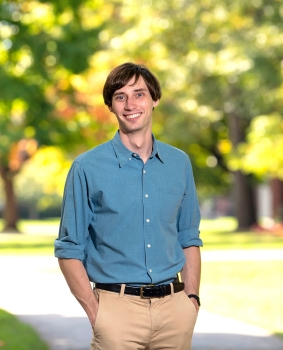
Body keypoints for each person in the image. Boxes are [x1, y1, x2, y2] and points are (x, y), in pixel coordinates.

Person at [54, 62, 202, 350]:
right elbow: (69, 249)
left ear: (154, 99)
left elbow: (189, 237)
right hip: (115, 312)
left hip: (175, 310)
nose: (130, 104)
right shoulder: (86, 168)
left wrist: (192, 299)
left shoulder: (179, 163)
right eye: (120, 96)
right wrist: (97, 314)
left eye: (139, 94)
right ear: (111, 105)